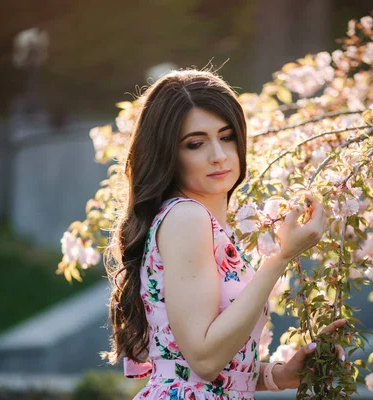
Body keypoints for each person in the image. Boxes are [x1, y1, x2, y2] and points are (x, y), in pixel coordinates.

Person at [104, 69, 347, 399]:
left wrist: (281, 374)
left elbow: (199, 369)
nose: (218, 155)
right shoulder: (186, 218)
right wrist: (282, 258)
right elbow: (204, 360)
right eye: (195, 143)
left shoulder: (203, 224)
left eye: (227, 136)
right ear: (168, 154)